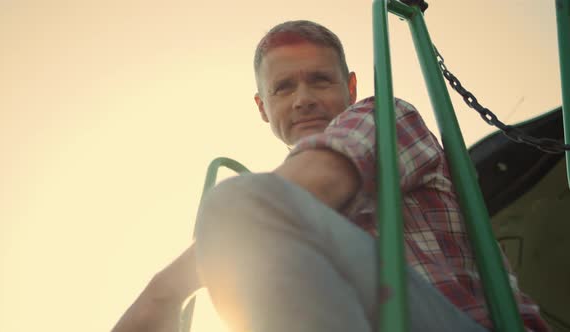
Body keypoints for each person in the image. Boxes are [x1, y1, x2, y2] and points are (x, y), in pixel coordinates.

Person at [112, 20, 548, 332]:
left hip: (460, 319)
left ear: (350, 88)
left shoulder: (386, 118)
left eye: (319, 81)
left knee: (237, 204)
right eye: (284, 88)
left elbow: (303, 186)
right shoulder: (280, 211)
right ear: (263, 107)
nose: (303, 99)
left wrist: (161, 294)